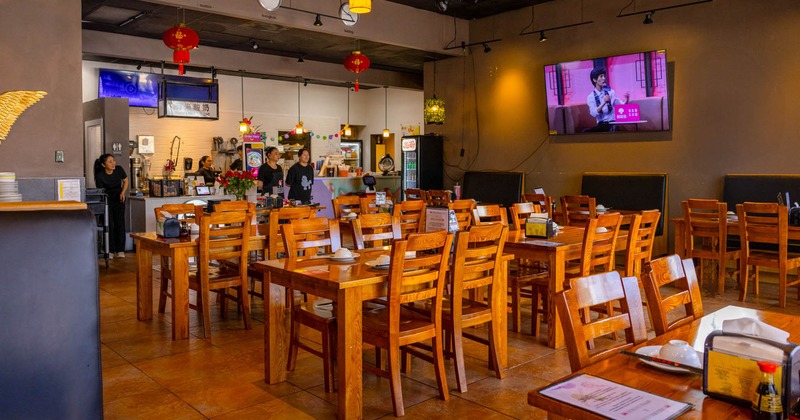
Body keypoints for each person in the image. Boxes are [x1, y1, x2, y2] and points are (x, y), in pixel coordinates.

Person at [94, 153, 128, 259]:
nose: (113, 163)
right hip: (107, 200)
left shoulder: (119, 169)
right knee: (109, 224)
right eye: (110, 162)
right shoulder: (100, 176)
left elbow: (125, 181)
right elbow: (100, 191)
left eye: (113, 161)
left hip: (119, 199)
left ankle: (120, 250)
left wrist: (123, 192)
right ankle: (110, 250)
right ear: (103, 165)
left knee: (120, 223)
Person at [586, 67, 629, 132]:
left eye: (604, 76)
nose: (604, 78)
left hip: (613, 123)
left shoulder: (611, 92)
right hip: (602, 125)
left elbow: (621, 105)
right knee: (587, 132)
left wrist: (627, 99)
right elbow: (593, 113)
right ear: (594, 80)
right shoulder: (591, 97)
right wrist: (604, 102)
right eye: (601, 76)